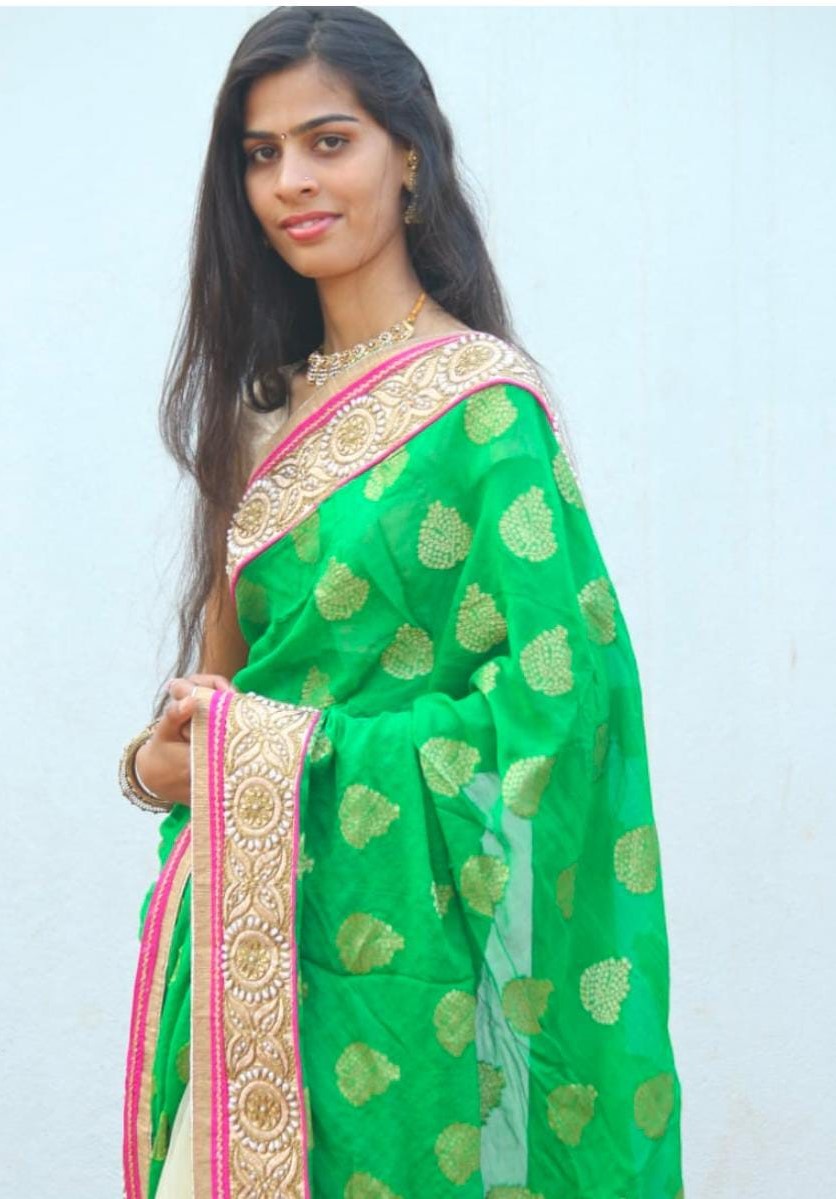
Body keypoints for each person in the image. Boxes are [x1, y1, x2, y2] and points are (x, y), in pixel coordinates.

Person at [118, 7, 684, 1199]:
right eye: (260, 154)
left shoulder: (485, 416)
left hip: (397, 989)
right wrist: (158, 761)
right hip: (242, 962)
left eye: (328, 141)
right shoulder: (257, 417)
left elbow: (562, 713)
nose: (290, 181)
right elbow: (221, 694)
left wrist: (270, 756)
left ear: (409, 157)